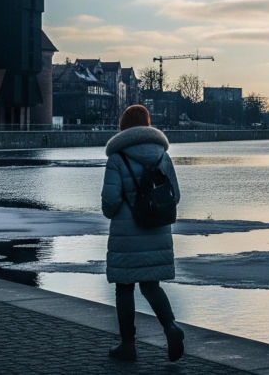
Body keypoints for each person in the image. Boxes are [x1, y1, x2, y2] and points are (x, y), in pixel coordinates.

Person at [101, 104, 184, 362]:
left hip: (127, 233)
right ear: (148, 124)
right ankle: (171, 327)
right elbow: (175, 196)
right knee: (151, 286)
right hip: (157, 230)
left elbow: (110, 202)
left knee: (124, 289)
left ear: (123, 127)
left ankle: (128, 346)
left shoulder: (118, 158)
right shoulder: (163, 156)